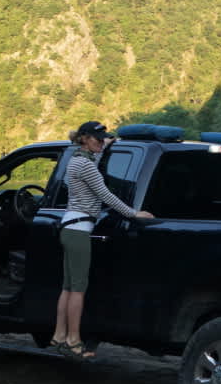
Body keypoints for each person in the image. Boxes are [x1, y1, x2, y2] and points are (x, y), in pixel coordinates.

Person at [52, 120, 153, 359]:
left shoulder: (78, 158)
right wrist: (133, 213)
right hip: (79, 231)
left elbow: (93, 163)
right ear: (85, 139)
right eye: (97, 138)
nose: (100, 141)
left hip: (71, 228)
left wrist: (105, 147)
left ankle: (59, 335)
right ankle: (74, 341)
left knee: (68, 287)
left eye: (102, 138)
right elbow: (106, 195)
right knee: (78, 289)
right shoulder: (84, 164)